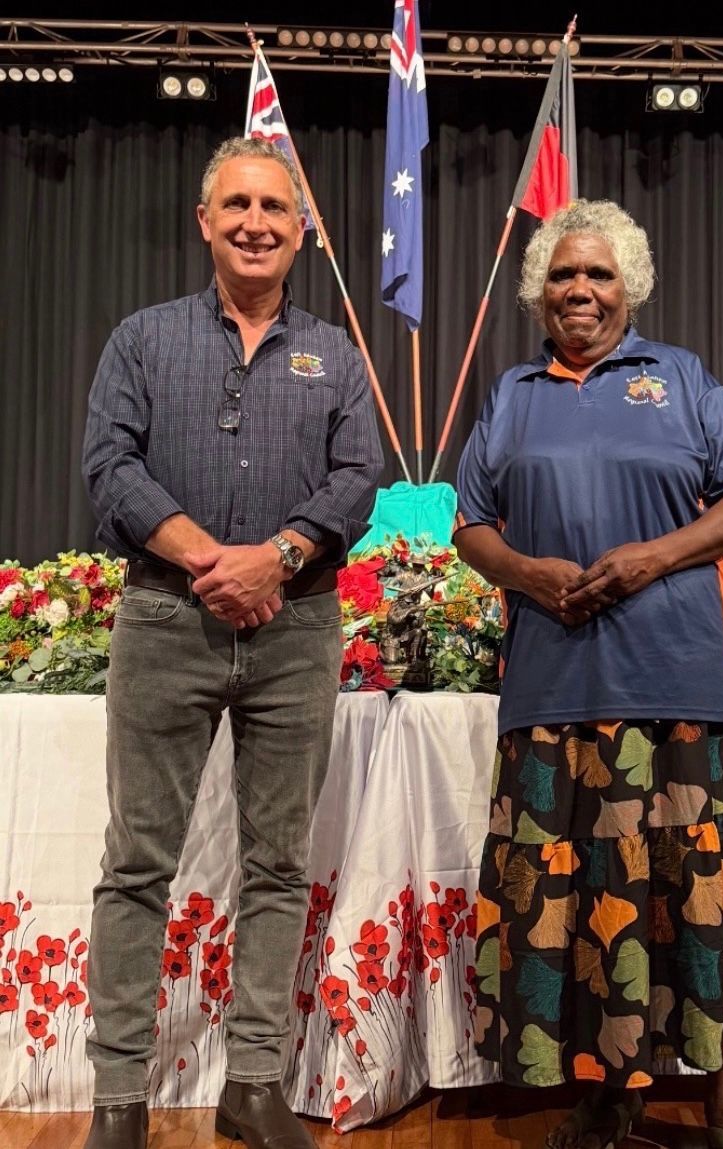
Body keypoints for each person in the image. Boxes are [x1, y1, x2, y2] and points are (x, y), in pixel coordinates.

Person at [454, 199, 723, 1149]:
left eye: (598, 274)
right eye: (563, 275)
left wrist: (654, 556)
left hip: (684, 680)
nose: (579, 290)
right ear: (537, 293)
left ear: (629, 288)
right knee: (578, 903)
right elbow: (470, 524)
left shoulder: (681, 377)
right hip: (554, 688)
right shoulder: (513, 392)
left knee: (699, 890)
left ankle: (722, 1093)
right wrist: (524, 571)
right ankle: (607, 1088)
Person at [80, 137, 384, 1149]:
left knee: (278, 865)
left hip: (297, 629)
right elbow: (110, 466)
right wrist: (217, 559)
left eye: (276, 208)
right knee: (136, 864)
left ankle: (252, 1084)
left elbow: (356, 480)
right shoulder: (141, 340)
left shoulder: (337, 353)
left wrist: (280, 558)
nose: (257, 222)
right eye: (237, 205)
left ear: (302, 231)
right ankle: (118, 1100)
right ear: (205, 221)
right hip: (167, 619)